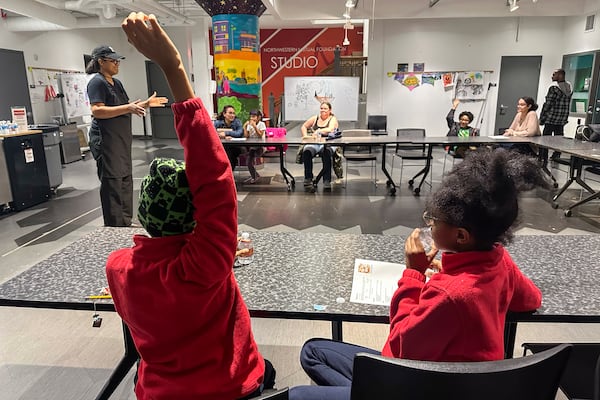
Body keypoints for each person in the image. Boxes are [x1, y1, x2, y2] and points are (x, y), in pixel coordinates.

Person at [106, 12, 275, 399]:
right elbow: (215, 181)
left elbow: (214, 196)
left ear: (145, 212)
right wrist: (173, 66)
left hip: (162, 391)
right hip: (228, 387)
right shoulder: (203, 266)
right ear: (196, 217)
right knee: (265, 370)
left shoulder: (118, 268)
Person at [289, 147, 547, 400]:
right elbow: (531, 299)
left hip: (420, 384)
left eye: (433, 221)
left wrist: (413, 273)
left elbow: (402, 346)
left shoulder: (448, 294)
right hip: (465, 383)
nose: (429, 224)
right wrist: (452, 273)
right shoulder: (498, 259)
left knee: (297, 394)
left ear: (461, 236)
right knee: (313, 352)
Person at [86, 44, 167, 227]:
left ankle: (126, 221)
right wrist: (128, 107)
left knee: (125, 180)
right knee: (112, 183)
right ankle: (115, 226)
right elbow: (97, 110)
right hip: (107, 141)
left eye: (117, 60)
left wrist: (144, 104)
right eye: (112, 60)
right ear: (100, 61)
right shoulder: (97, 82)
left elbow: (125, 106)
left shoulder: (117, 83)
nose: (117, 64)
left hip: (121, 141)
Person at [300, 102, 339, 191]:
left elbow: (330, 129)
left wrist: (319, 131)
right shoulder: (315, 118)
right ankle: (308, 177)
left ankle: (326, 180)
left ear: (330, 110)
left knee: (326, 153)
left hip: (328, 143)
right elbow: (304, 126)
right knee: (307, 152)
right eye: (321, 108)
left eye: (325, 109)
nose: (323, 110)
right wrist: (306, 136)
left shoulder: (332, 119)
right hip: (315, 142)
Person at [540, 69, 573, 160]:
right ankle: (556, 154)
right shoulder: (569, 87)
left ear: (560, 75)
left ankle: (543, 156)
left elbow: (548, 103)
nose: (552, 76)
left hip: (552, 116)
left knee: (545, 138)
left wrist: (542, 117)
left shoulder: (554, 88)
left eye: (554, 74)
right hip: (562, 117)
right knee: (559, 137)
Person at [214, 104, 245, 171]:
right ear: (224, 114)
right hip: (221, 147)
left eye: (233, 113)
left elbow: (239, 133)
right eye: (230, 113)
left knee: (230, 153)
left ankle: (229, 172)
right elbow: (212, 133)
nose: (232, 115)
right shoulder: (217, 123)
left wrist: (225, 133)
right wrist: (223, 137)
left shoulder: (237, 122)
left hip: (235, 147)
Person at [243, 109, 266, 184]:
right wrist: (245, 127)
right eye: (251, 116)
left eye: (254, 116)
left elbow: (260, 135)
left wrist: (255, 127)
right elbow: (246, 136)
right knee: (248, 161)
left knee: (254, 156)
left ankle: (255, 176)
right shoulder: (250, 124)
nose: (252, 118)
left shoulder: (262, 124)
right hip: (252, 147)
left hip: (260, 146)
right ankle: (254, 176)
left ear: (259, 117)